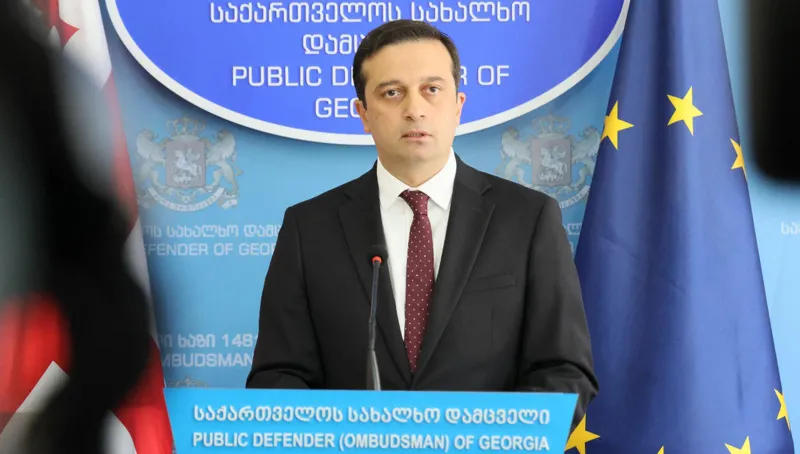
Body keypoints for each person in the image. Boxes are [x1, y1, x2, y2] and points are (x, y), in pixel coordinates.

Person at [247, 20, 597, 424]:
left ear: (458, 105)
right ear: (363, 113)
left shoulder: (528, 219)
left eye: (431, 89)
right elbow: (279, 376)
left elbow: (565, 370)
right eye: (392, 93)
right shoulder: (309, 228)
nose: (414, 109)